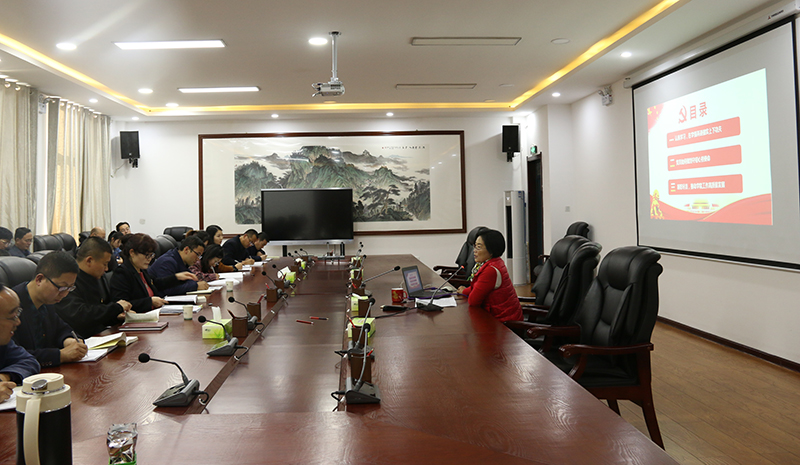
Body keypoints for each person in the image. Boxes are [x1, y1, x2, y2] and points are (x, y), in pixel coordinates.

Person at [11, 251, 88, 367]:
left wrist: (69, 340)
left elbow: (61, 329)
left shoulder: (47, 301)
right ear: (39, 279)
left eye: (69, 288)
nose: (65, 294)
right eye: (61, 287)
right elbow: (12, 355)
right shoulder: (10, 307)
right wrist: (60, 355)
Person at [55, 237, 133, 338]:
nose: (106, 269)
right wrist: (116, 308)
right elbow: (80, 315)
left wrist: (116, 316)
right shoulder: (68, 279)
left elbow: (100, 311)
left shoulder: (97, 277)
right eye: (104, 264)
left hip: (101, 334)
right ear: (89, 260)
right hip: (81, 339)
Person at [110, 233, 198, 313]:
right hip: (138, 319)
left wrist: (176, 277)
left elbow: (156, 284)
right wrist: (150, 302)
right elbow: (121, 305)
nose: (149, 259)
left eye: (151, 255)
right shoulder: (122, 273)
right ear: (132, 253)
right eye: (147, 255)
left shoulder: (141, 270)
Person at [456, 229, 522, 323]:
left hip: (505, 324)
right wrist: (465, 291)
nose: (474, 251)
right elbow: (480, 287)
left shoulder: (490, 270)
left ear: (491, 250)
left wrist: (465, 291)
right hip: (501, 317)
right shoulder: (495, 262)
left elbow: (473, 301)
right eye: (475, 246)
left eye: (479, 247)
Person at [0, 284, 40, 400]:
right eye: (12, 316)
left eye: (18, 313)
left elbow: (29, 361)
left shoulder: (4, 343)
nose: (18, 322)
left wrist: (4, 377)